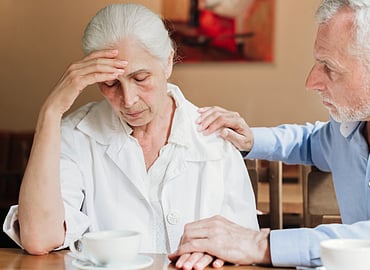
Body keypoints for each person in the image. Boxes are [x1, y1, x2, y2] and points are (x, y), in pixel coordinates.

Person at [169, 0, 370, 269]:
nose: (312, 81)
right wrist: (251, 139)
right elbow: (311, 142)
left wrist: (261, 243)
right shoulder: (359, 119)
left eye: (329, 68)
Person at [2, 3, 258, 257]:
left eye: (140, 78)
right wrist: (51, 112)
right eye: (110, 83)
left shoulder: (215, 137)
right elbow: (39, 238)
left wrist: (222, 254)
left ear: (168, 62)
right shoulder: (75, 135)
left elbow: (246, 247)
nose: (128, 100)